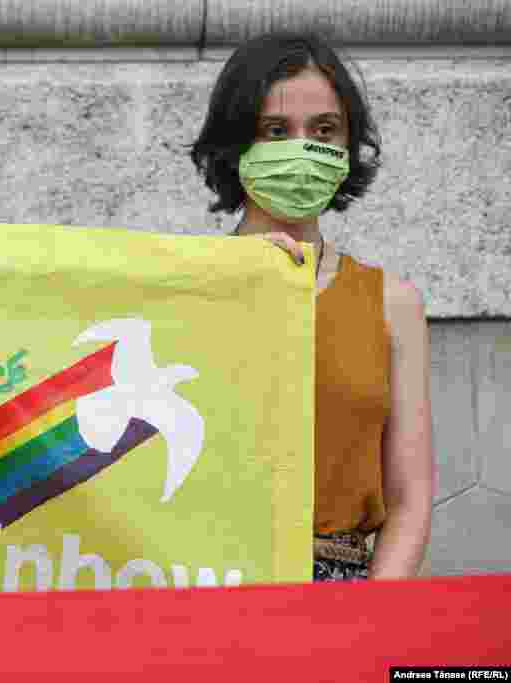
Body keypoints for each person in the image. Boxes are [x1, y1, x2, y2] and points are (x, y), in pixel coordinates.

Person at [189, 33, 434, 581]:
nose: (302, 148)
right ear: (236, 145)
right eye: (276, 131)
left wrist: (372, 621)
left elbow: (410, 498)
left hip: (341, 587)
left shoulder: (393, 303)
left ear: (347, 148)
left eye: (324, 130)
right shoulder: (183, 285)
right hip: (206, 580)